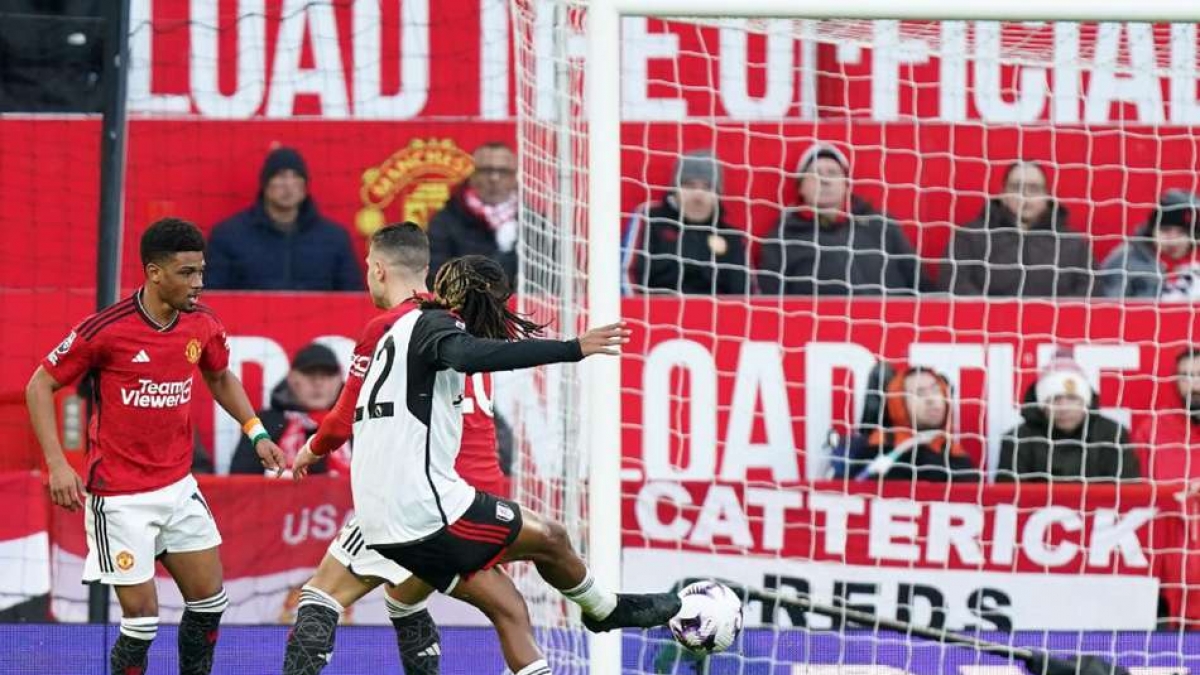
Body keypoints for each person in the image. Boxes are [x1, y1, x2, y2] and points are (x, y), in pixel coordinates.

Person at [294, 251, 681, 675]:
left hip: (391, 509)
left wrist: (314, 448)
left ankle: (601, 609)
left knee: (500, 604)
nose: (501, 315)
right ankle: (603, 608)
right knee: (543, 547)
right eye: (498, 304)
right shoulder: (438, 329)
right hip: (430, 506)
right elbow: (464, 356)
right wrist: (574, 348)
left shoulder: (398, 328)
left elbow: (350, 416)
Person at [24, 218, 286, 675]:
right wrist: (57, 464)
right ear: (154, 273)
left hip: (178, 488)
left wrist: (256, 432)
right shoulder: (105, 330)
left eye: (201, 271)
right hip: (119, 497)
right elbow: (39, 385)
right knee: (142, 622)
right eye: (187, 272)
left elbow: (219, 376)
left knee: (209, 604)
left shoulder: (202, 324)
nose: (198, 283)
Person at [275, 224, 512, 675]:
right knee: (430, 602)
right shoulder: (462, 326)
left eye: (368, 266)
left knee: (321, 596)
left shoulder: (389, 327)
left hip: (419, 494)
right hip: (480, 498)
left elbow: (343, 417)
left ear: (379, 269)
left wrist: (311, 450)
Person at [757, 142, 923, 296]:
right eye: (815, 173)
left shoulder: (881, 225)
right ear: (801, 187)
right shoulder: (782, 238)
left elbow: (919, 282)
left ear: (846, 184)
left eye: (833, 173)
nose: (825, 180)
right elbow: (771, 297)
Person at [206, 146, 363, 291]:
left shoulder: (334, 238)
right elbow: (213, 296)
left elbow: (353, 297)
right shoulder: (229, 236)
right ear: (265, 184)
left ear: (305, 186)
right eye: (280, 176)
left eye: (296, 177)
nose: (288, 185)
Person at [941, 160, 1093, 297]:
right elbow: (954, 282)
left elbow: (1091, 287)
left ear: (1047, 196)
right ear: (1003, 194)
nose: (1025, 195)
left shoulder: (1072, 242)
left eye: (1034, 188)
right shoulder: (970, 236)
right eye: (1016, 188)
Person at [623, 150, 751, 295]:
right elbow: (626, 273)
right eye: (689, 186)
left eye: (708, 187)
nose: (698, 194)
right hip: (655, 307)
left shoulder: (732, 237)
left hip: (716, 309)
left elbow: (748, 293)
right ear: (675, 189)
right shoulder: (650, 218)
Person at [996, 354, 1140, 482]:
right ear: (1041, 405)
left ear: (1086, 402)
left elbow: (1128, 491)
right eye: (1055, 399)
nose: (1063, 408)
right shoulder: (1017, 440)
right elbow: (1008, 497)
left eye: (1072, 398)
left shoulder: (1113, 436)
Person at [228, 342, 349, 476]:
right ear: (291, 377)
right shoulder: (265, 424)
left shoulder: (355, 423)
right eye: (309, 373)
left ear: (340, 378)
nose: (318, 382)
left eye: (327, 375)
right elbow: (240, 480)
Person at [845, 366, 977, 481]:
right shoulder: (878, 447)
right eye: (920, 393)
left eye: (936, 390)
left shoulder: (954, 452)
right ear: (899, 403)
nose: (931, 399)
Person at [427, 141, 520, 284]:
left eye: (503, 171)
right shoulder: (444, 223)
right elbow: (437, 279)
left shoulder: (533, 225)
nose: (494, 178)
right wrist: (502, 255)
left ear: (515, 177)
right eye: (486, 170)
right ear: (473, 175)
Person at [1099, 189, 1200, 299]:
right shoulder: (1124, 260)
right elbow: (1110, 304)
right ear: (1152, 231)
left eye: (1182, 232)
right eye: (1165, 230)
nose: (1173, 240)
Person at [1133, 347, 1200, 489]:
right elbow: (1140, 492)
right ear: (1175, 381)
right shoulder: (1152, 429)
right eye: (1185, 376)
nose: (1194, 385)